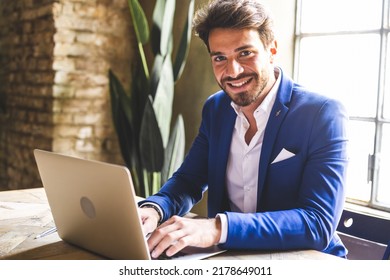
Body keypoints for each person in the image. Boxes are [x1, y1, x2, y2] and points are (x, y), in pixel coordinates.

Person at [139, 0, 348, 259]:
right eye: (220, 58)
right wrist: (154, 209)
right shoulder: (216, 109)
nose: (233, 71)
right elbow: (189, 180)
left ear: (272, 50)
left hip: (306, 263)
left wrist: (217, 228)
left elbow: (317, 222)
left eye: (245, 53)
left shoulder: (322, 113)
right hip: (232, 258)